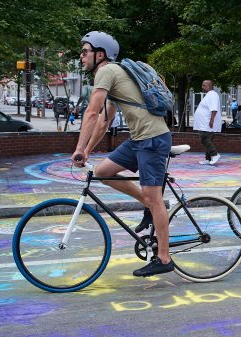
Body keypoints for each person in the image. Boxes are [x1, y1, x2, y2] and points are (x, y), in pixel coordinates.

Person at [71, 31, 176, 278]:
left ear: (100, 54)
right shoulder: (115, 76)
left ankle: (163, 258)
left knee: (155, 197)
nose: (81, 56)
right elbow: (103, 122)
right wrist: (86, 151)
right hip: (139, 139)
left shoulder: (107, 71)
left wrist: (77, 148)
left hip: (153, 139)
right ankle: (148, 205)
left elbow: (91, 112)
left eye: (85, 51)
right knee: (103, 172)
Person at [194, 80, 222, 165]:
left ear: (209, 86)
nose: (202, 87)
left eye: (204, 85)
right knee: (207, 140)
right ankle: (208, 159)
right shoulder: (209, 95)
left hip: (207, 123)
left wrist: (212, 120)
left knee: (204, 139)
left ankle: (215, 155)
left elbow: (214, 109)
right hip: (205, 123)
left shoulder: (213, 95)